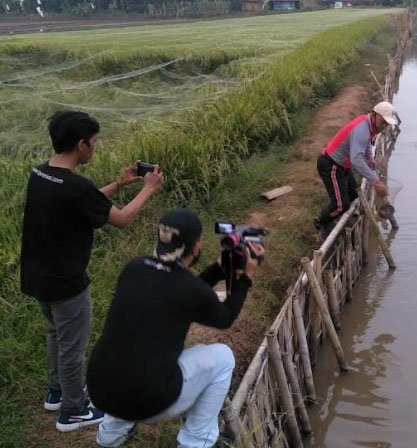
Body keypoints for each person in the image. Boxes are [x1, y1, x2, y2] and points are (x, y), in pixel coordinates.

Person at [20, 110, 164, 432]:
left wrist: (120, 183)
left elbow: (84, 202)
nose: (95, 147)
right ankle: (73, 411)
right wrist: (148, 188)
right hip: (67, 282)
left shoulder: (40, 174)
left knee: (56, 334)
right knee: (73, 347)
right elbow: (123, 218)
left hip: (39, 276)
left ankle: (57, 392)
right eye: (94, 142)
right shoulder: (76, 186)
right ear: (81, 145)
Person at [87, 208, 262, 448]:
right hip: (148, 401)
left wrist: (220, 269)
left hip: (101, 390)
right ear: (196, 246)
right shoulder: (186, 289)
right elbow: (225, 318)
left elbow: (180, 291)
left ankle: (108, 438)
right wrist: (245, 278)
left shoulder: (134, 269)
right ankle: (195, 441)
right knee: (223, 358)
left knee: (128, 357)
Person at [314, 101, 397, 233]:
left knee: (354, 195)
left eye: (387, 124)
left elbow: (368, 142)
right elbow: (356, 159)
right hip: (331, 165)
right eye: (382, 121)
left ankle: (342, 220)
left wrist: (369, 157)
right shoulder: (361, 130)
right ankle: (320, 222)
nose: (384, 126)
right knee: (341, 205)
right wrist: (375, 181)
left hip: (344, 167)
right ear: (374, 115)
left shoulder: (370, 125)